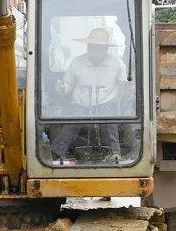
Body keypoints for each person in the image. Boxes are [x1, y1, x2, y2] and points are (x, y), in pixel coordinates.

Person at [51, 26, 127, 164]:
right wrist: (61, 88)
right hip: (81, 105)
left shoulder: (116, 63)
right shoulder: (77, 62)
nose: (94, 51)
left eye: (98, 48)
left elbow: (124, 86)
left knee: (110, 119)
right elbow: (68, 84)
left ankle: (114, 153)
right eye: (92, 47)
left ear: (105, 49)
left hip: (106, 104)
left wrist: (121, 105)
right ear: (88, 47)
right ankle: (56, 155)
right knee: (71, 122)